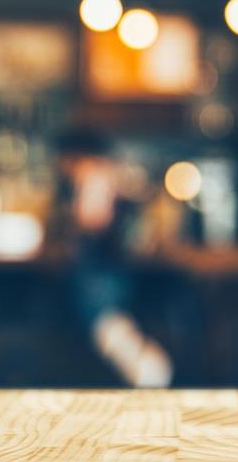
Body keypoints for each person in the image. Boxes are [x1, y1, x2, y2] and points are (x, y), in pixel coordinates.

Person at [55, 129, 173, 388]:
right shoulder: (113, 174)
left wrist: (70, 229)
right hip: (117, 270)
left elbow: (92, 219)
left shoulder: (93, 174)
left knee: (107, 326)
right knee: (109, 326)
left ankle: (148, 369)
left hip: (97, 272)